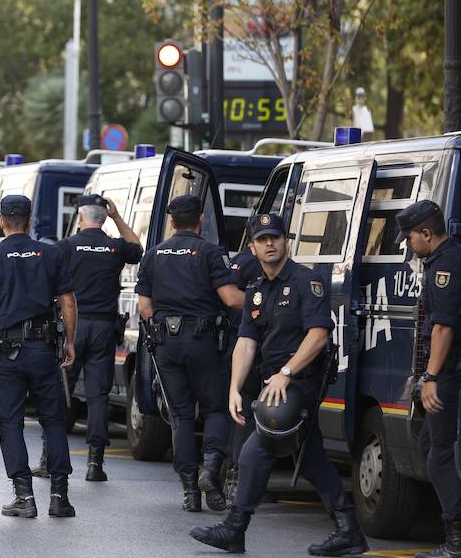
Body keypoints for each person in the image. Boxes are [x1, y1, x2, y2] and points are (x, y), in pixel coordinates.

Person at [190, 213, 368, 556]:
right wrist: (234, 388)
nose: (269, 243)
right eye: (262, 239)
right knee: (310, 454)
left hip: (299, 380)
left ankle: (235, 527)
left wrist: (287, 372)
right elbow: (246, 341)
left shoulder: (306, 281)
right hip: (274, 383)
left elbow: (318, 335)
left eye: (275, 237)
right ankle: (348, 530)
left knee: (258, 449)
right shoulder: (256, 289)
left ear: (286, 241)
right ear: (253, 247)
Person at [0, 195, 77, 518]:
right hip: (43, 350)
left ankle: (24, 497)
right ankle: (59, 496)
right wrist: (70, 341)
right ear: (30, 221)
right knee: (52, 420)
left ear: (2, 222)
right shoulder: (51, 253)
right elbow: (68, 302)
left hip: (6, 353)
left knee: (10, 422)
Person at [135, 195, 244, 513]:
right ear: (200, 220)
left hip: (167, 344)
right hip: (204, 342)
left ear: (171, 222)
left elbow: (144, 307)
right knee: (214, 410)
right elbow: (230, 298)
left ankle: (189, 490)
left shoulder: (153, 254)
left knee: (180, 415)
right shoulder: (210, 253)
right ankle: (210, 471)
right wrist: (258, 299)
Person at [50, 194, 142, 481]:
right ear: (103, 217)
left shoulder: (65, 247)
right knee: (98, 396)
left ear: (80, 216)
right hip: (103, 328)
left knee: (58, 392)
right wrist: (116, 217)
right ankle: (95, 464)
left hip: (72, 326)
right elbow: (137, 249)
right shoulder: (114, 248)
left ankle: (48, 457)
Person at [394, 201, 461, 558]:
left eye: (410, 238)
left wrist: (432, 377)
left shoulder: (445, 265)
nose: (408, 245)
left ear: (426, 233)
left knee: (438, 454)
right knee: (428, 446)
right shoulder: (447, 258)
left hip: (448, 372)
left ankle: (455, 541)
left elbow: (444, 327)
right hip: (445, 370)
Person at [223, 223, 264, 503]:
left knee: (241, 415)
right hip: (251, 346)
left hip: (237, 343)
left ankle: (231, 474)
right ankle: (239, 476)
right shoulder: (255, 265)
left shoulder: (237, 261)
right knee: (250, 416)